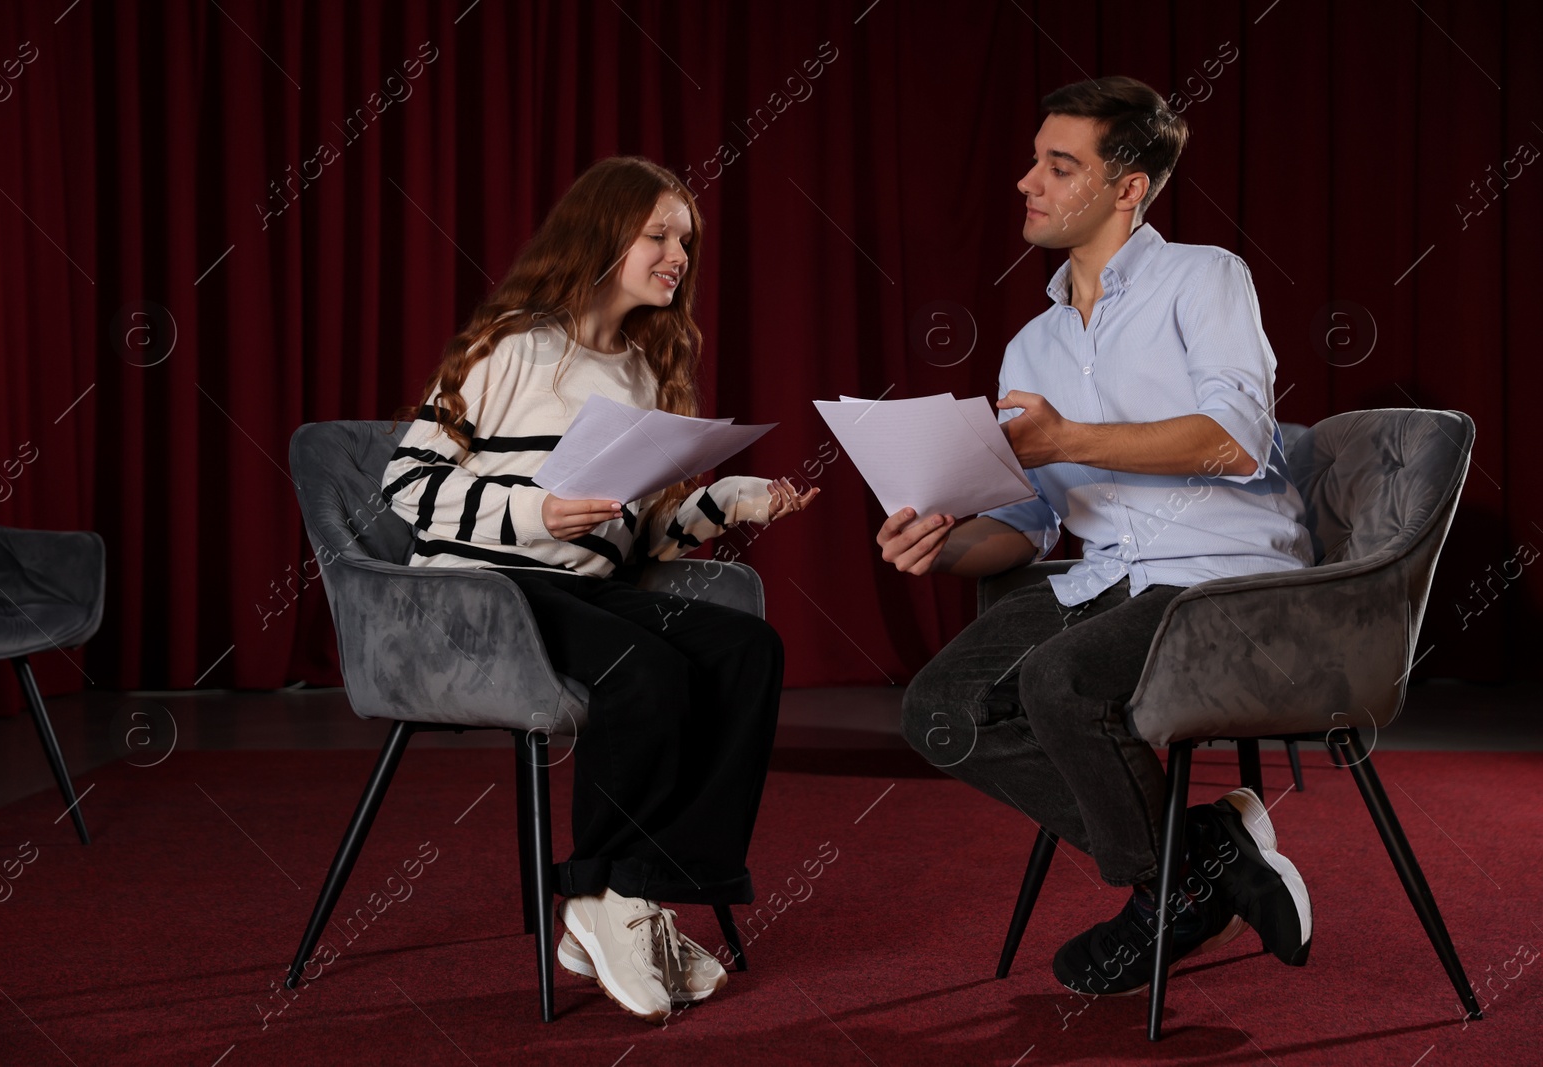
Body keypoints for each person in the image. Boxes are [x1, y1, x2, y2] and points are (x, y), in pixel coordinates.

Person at [878, 77, 1315, 996]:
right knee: (937, 712)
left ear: (1130, 187)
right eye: (1035, 159)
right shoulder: (1029, 347)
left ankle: (1169, 888)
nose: (1028, 181)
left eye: (1059, 164)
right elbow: (1033, 525)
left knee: (1058, 679)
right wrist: (942, 540)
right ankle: (1196, 858)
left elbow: (1236, 441)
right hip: (1102, 577)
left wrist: (1064, 437)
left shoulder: (1206, 277)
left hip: (1221, 577)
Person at [382, 156, 817, 1023]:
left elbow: (638, 537)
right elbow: (406, 486)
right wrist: (540, 511)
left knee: (745, 650)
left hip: (582, 590)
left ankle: (632, 893)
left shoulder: (645, 370)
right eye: (658, 234)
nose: (677, 254)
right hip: (479, 592)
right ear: (602, 232)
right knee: (644, 669)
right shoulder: (512, 343)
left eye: (685, 241)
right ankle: (598, 893)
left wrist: (730, 499)